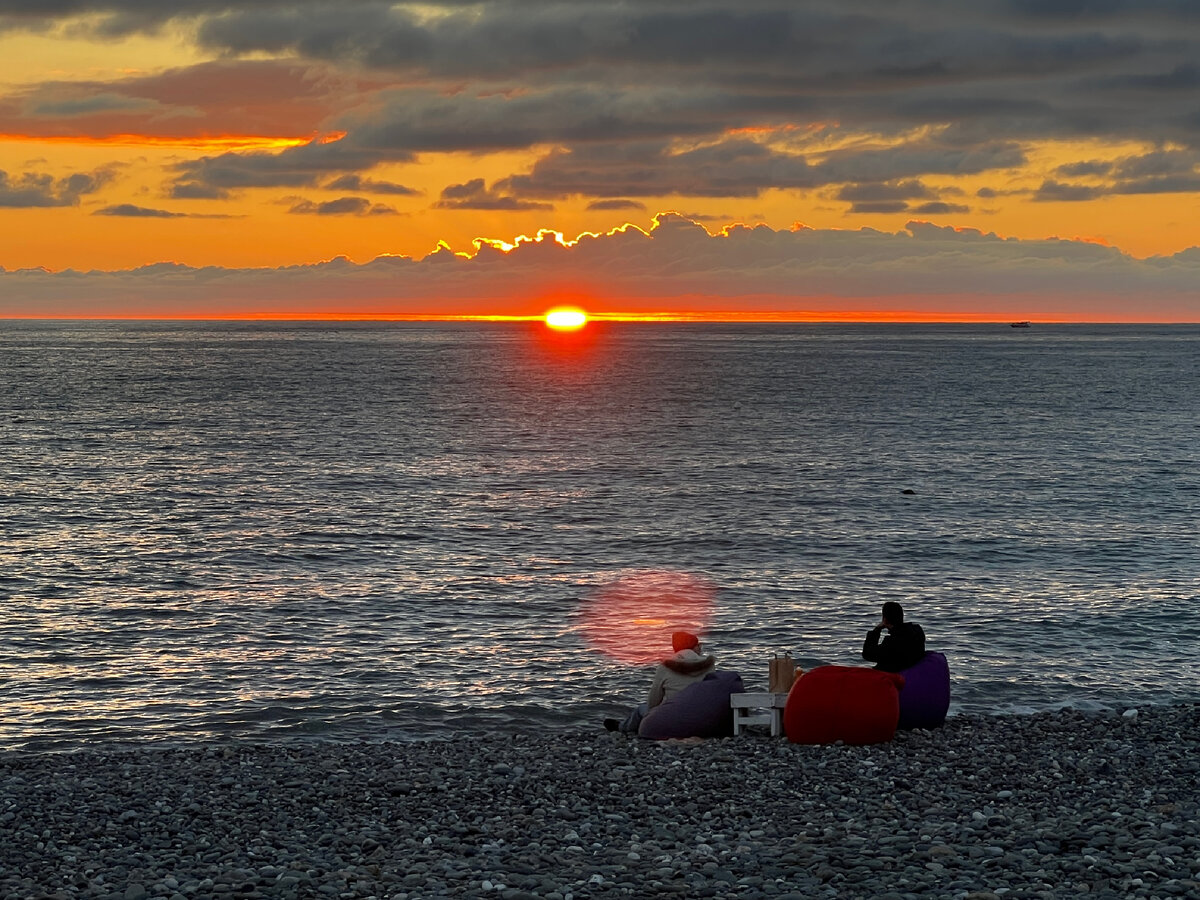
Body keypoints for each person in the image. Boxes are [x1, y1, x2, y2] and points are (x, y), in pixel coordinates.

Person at [605, 631, 717, 733]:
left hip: (674, 719)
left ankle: (622, 728)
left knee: (641, 709)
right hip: (702, 717)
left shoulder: (665, 667)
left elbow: (653, 702)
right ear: (696, 647)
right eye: (699, 646)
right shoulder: (709, 665)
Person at [862, 601, 926, 672]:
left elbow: (868, 654)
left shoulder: (892, 642)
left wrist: (876, 630)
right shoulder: (917, 632)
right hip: (911, 668)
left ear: (885, 620)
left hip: (895, 672)